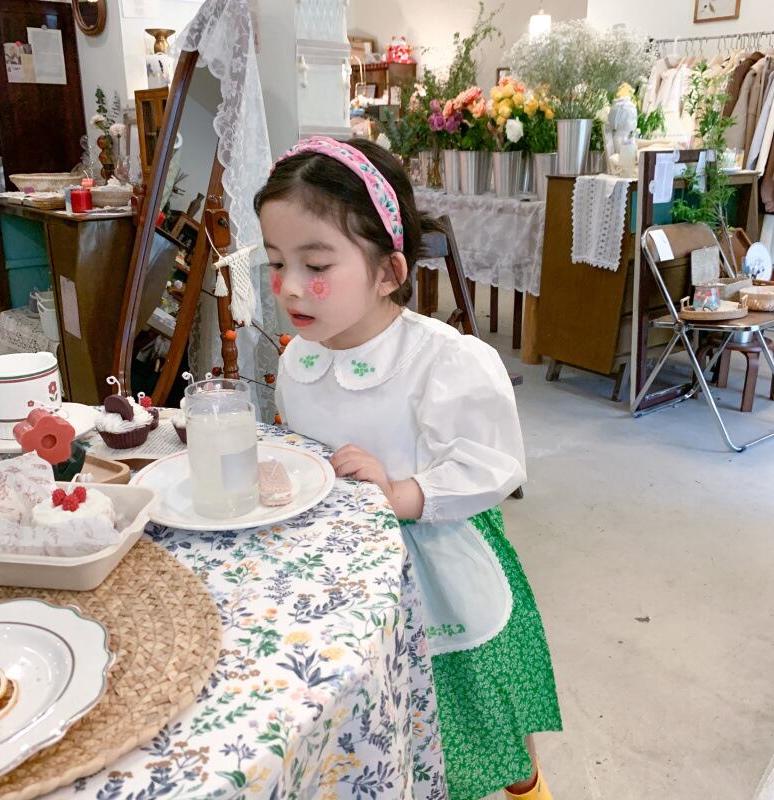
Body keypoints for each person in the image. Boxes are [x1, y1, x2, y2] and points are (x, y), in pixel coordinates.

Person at [254, 136, 561, 800]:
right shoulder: (299, 357)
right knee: (382, 707)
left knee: (479, 704)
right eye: (277, 263)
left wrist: (402, 491)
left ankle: (528, 787)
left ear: (389, 272)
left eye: (316, 264)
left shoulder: (443, 361)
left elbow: (492, 464)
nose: (290, 287)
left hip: (435, 563)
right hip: (341, 567)